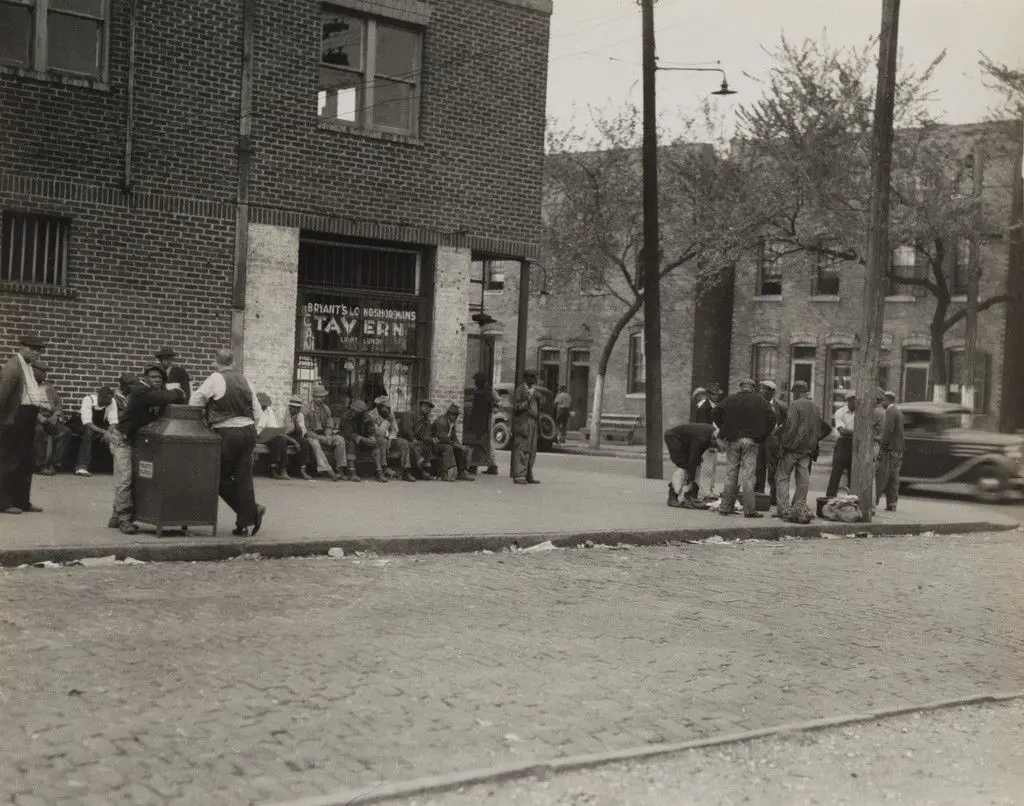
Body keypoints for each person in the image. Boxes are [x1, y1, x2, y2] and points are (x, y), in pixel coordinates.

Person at [189, 349, 266, 537]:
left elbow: (196, 399)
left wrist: (198, 413)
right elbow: (258, 413)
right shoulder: (245, 380)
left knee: (219, 478)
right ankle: (244, 523)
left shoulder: (215, 378)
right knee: (244, 479)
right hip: (249, 431)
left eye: (214, 362)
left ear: (217, 362)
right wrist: (255, 431)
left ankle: (252, 510)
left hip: (227, 433)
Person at [114, 366, 186, 534]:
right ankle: (124, 519)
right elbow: (168, 396)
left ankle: (115, 516)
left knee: (132, 477)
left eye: (160, 378)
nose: (157, 380)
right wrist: (179, 392)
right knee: (125, 478)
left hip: (137, 440)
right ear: (145, 378)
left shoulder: (157, 395)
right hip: (122, 438)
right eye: (153, 377)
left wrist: (176, 394)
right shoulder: (140, 390)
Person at [0, 334, 48, 515]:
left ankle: (22, 501)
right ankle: (3, 502)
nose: (37, 353)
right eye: (33, 349)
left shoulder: (28, 367)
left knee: (26, 462)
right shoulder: (13, 368)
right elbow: (2, 397)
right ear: (23, 348)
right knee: (9, 461)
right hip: (15, 420)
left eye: (39, 350)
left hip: (28, 418)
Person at [713, 378, 774, 518]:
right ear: (753, 388)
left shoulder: (731, 399)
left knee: (731, 474)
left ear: (741, 387)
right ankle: (749, 510)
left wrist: (724, 428)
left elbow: (715, 412)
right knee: (748, 476)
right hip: (751, 441)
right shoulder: (760, 400)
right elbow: (772, 418)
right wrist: (763, 434)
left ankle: (725, 507)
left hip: (733, 440)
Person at [774, 380, 823, 522]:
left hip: (792, 448)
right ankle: (799, 508)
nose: (793, 396)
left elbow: (790, 427)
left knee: (782, 476)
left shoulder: (795, 405)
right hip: (807, 449)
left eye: (793, 393)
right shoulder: (815, 406)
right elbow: (819, 428)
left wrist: (783, 444)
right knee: (803, 478)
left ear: (796, 391)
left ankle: (784, 510)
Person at [664, 422, 717, 509]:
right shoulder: (702, 438)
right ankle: (673, 496)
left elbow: (696, 457)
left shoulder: (710, 436)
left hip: (684, 441)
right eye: (720, 447)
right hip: (673, 438)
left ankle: (691, 496)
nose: (721, 450)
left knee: (697, 463)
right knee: (684, 466)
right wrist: (691, 478)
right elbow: (693, 459)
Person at [32, 361, 72, 476]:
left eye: (45, 372)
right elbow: (24, 404)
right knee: (39, 431)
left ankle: (53, 463)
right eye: (42, 371)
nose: (44, 374)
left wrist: (56, 415)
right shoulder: (28, 387)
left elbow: (58, 403)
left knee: (66, 432)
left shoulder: (49, 387)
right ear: (34, 371)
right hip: (34, 416)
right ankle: (41, 464)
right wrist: (38, 416)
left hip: (50, 415)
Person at [754, 380, 787, 506]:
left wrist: (778, 434)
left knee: (773, 469)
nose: (762, 391)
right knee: (759, 469)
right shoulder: (757, 404)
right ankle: (759, 495)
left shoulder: (781, 406)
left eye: (765, 389)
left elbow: (787, 423)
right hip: (759, 440)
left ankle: (774, 498)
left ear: (772, 392)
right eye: (761, 388)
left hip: (773, 441)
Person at [74, 385, 117, 476]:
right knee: (88, 432)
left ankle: (114, 467)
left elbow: (113, 422)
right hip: (81, 424)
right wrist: (104, 432)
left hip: (98, 425)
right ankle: (81, 467)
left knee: (116, 433)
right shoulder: (88, 399)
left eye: (110, 399)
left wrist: (109, 432)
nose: (109, 402)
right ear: (99, 397)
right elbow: (87, 423)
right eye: (106, 399)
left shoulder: (112, 401)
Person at [304, 384, 345, 481]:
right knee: (315, 443)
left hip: (323, 435)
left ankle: (340, 470)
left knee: (340, 440)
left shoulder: (326, 409)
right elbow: (305, 430)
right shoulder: (306, 409)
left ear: (324, 397)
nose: (319, 399)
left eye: (321, 397)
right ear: (313, 396)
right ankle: (329, 470)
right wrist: (319, 437)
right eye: (317, 396)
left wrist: (328, 435)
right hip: (310, 436)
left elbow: (329, 425)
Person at [372, 395, 416, 482]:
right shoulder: (372, 415)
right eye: (385, 407)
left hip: (388, 439)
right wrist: (386, 421)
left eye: (389, 407)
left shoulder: (390, 413)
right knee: (382, 441)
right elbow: (378, 433)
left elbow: (395, 430)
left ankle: (406, 471)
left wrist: (391, 439)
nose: (388, 409)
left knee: (404, 442)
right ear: (379, 407)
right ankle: (382, 470)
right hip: (376, 440)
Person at [465, 372, 501, 474]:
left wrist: (493, 409)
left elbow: (498, 401)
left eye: (477, 381)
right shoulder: (481, 390)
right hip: (480, 419)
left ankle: (490, 465)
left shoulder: (488, 391)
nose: (475, 382)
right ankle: (477, 465)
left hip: (485, 419)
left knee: (485, 442)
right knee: (480, 442)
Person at [339, 399, 382, 482]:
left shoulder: (367, 417)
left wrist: (372, 437)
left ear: (362, 412)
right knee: (351, 444)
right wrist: (363, 439)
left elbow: (371, 430)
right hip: (349, 439)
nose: (354, 412)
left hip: (363, 440)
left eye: (357, 411)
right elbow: (348, 434)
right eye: (353, 410)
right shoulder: (346, 416)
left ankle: (379, 471)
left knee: (374, 444)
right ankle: (352, 472)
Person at [876, 390, 904, 512]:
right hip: (899, 450)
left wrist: (881, 446)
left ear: (888, 400)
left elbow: (888, 430)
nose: (882, 403)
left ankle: (873, 502)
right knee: (894, 478)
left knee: (881, 476)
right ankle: (892, 504)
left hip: (890, 449)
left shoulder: (890, 411)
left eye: (883, 400)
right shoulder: (898, 412)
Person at [511, 369, 541, 485]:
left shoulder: (534, 390)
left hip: (533, 421)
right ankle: (519, 475)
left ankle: (529, 475)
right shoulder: (520, 390)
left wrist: (538, 399)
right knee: (523, 448)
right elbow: (517, 407)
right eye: (532, 377)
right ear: (527, 378)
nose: (533, 380)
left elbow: (539, 405)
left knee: (532, 450)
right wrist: (528, 399)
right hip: (524, 422)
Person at [432, 402, 474, 481]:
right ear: (448, 414)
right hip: (435, 443)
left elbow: (454, 438)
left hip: (443, 442)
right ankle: (444, 473)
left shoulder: (451, 423)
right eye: (453, 414)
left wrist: (460, 446)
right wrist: (457, 445)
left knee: (460, 448)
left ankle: (461, 472)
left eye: (456, 415)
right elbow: (443, 439)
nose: (455, 417)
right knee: (448, 448)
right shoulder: (441, 422)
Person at [277, 395, 315, 481]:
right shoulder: (281, 412)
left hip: (293, 435)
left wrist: (295, 421)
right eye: (293, 407)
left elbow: (302, 432)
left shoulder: (300, 415)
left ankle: (302, 470)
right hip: (281, 435)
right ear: (289, 406)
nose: (295, 409)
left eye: (298, 408)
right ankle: (283, 470)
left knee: (305, 442)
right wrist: (294, 441)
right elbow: (279, 432)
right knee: (282, 441)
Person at [826, 391, 857, 498]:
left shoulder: (860, 413)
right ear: (849, 400)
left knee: (853, 473)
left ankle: (852, 498)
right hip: (843, 443)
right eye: (854, 400)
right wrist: (858, 432)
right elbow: (842, 431)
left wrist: (853, 432)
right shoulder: (840, 412)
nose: (856, 403)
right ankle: (830, 497)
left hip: (855, 444)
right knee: (836, 471)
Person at [398, 399, 437, 480]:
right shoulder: (410, 414)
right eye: (425, 406)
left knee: (427, 446)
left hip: (418, 441)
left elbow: (427, 433)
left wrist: (430, 439)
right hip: (405, 439)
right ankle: (408, 472)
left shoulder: (426, 420)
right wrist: (413, 439)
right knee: (414, 446)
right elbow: (407, 429)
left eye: (429, 408)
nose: (427, 409)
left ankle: (424, 472)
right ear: (420, 407)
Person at [693, 386, 720, 497]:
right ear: (709, 395)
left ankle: (709, 488)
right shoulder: (705, 407)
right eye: (714, 394)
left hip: (714, 438)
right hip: (708, 440)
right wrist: (709, 442)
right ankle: (705, 490)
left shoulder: (714, 406)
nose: (716, 396)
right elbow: (704, 427)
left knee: (712, 465)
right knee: (707, 466)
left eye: (717, 394)